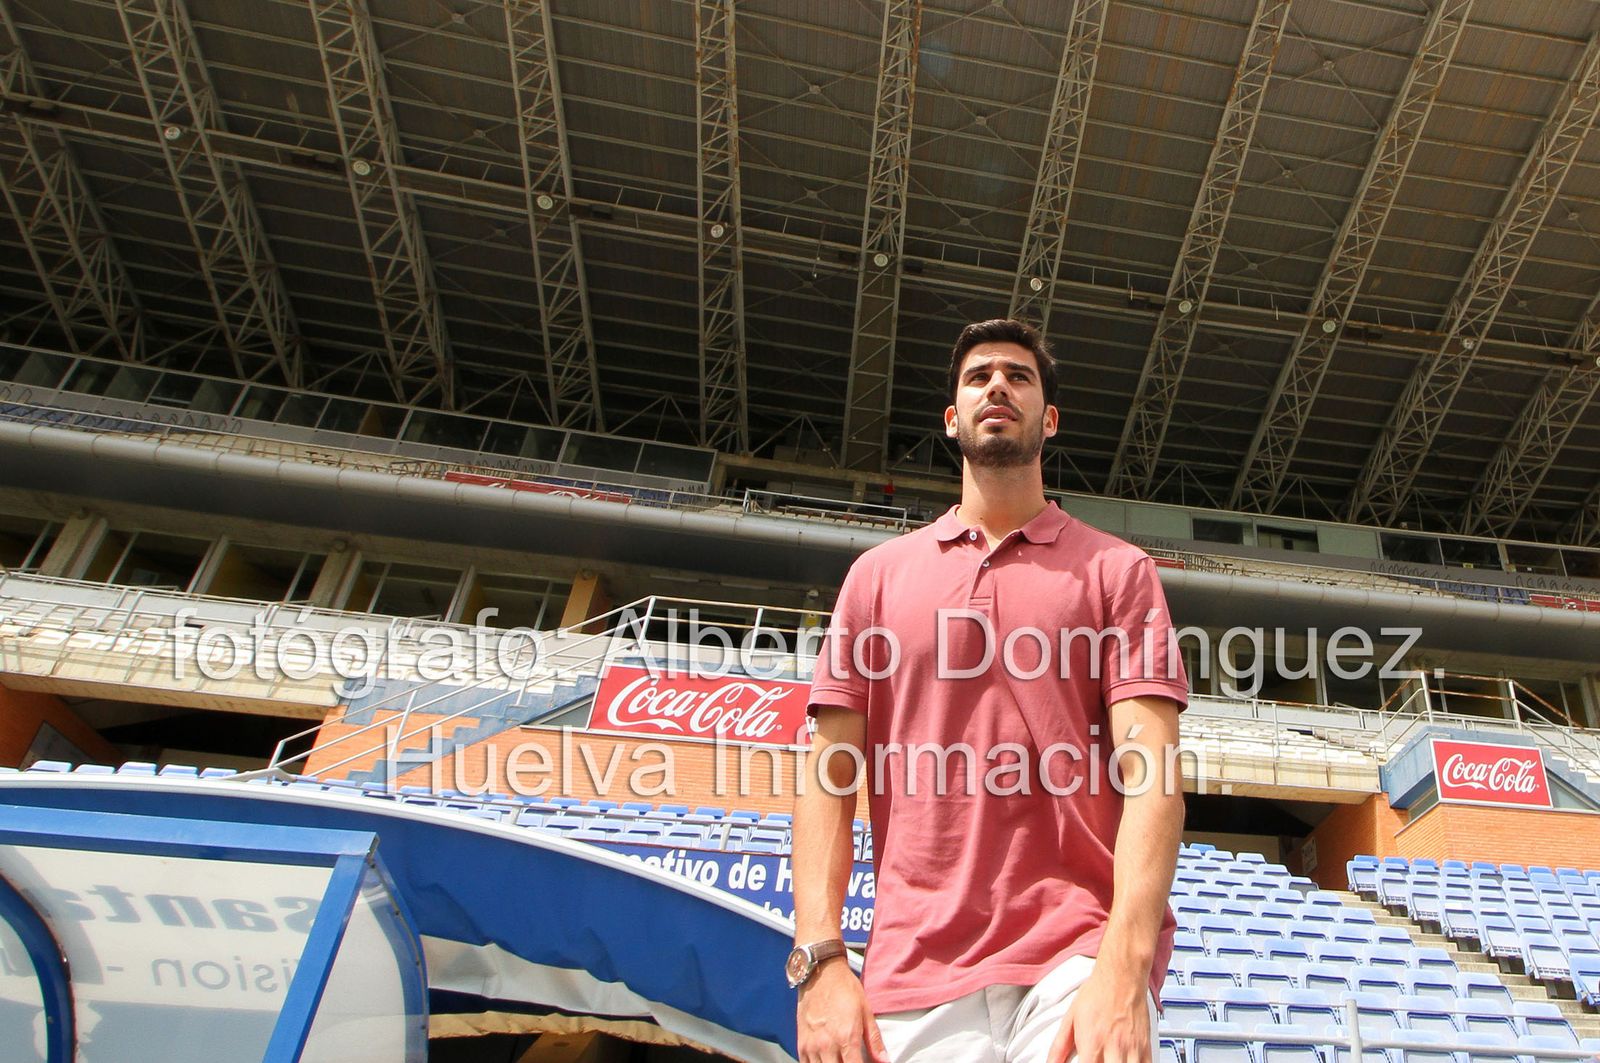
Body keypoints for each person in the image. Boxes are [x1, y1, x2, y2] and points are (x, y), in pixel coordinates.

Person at [790, 318, 1189, 1063]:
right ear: (952, 419)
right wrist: (820, 961)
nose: (997, 385)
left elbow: (1155, 776)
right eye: (978, 377)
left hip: (1078, 957)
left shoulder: (1117, 572)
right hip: (913, 973)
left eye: (1018, 375)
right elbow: (826, 777)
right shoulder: (875, 579)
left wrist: (1125, 967)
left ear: (1050, 418)